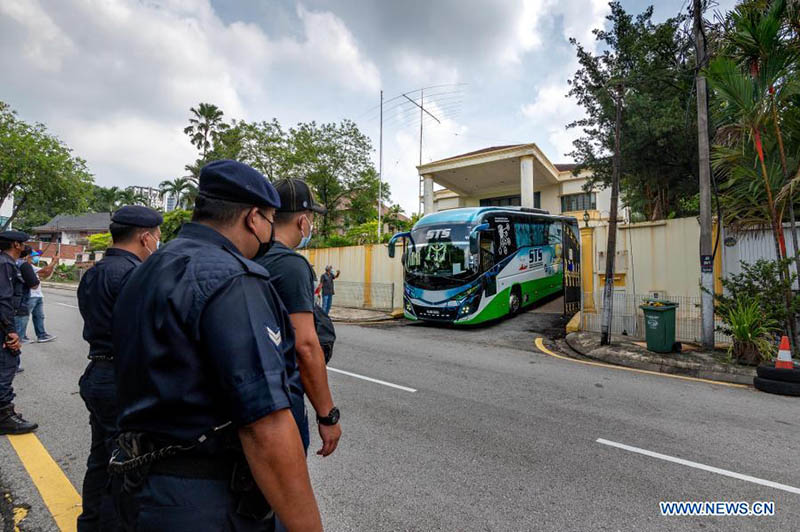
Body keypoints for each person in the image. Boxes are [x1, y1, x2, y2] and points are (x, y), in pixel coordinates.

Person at [111, 160, 322, 531]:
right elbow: (265, 426)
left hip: (141, 487)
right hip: (207, 496)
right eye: (270, 219)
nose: (270, 229)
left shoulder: (150, 268)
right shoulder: (234, 280)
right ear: (253, 217)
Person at [76, 205, 163, 532]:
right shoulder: (134, 275)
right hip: (122, 379)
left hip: (98, 373)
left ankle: (90, 523)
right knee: (126, 466)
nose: (158, 242)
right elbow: (146, 332)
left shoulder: (94, 273)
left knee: (100, 460)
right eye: (157, 236)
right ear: (145, 237)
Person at [256, 178, 341, 458]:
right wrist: (327, 415)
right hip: (281, 396)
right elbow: (305, 346)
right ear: (303, 221)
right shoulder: (291, 265)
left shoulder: (251, 254)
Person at [0, 231, 37, 435]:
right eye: (23, 243)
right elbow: (3, 299)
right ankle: (4, 417)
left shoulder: (6, 263)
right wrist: (10, 331)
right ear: (16, 244)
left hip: (5, 320)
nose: (25, 246)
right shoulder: (5, 264)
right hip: (4, 322)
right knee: (7, 365)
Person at [16, 249, 58, 344]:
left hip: (38, 295)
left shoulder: (32, 266)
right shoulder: (24, 266)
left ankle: (41, 335)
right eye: (33, 256)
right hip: (30, 295)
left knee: (39, 316)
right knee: (24, 317)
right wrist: (53, 262)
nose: (35, 258)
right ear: (27, 256)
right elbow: (44, 270)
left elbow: (45, 274)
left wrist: (52, 264)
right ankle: (21, 336)